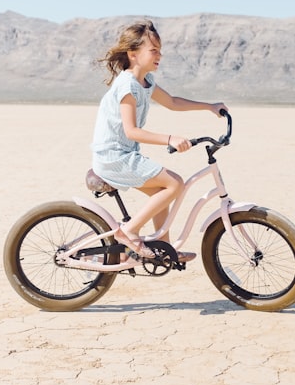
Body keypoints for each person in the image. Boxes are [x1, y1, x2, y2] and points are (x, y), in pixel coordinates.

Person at [91, 19, 228, 264]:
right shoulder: (127, 85)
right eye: (153, 51)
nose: (159, 56)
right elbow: (131, 131)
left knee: (163, 191)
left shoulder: (146, 82)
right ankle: (128, 233)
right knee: (174, 183)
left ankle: (163, 249)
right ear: (133, 54)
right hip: (113, 157)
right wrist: (170, 138)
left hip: (124, 155)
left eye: (160, 51)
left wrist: (210, 107)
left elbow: (173, 102)